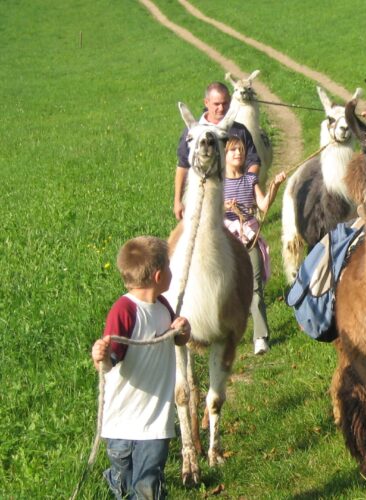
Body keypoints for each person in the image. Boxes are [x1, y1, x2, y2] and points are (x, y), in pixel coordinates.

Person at [91, 236, 191, 499]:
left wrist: (183, 330)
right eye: (169, 266)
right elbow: (110, 362)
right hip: (121, 423)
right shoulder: (124, 310)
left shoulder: (163, 307)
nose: (171, 272)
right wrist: (100, 355)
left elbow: (178, 340)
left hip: (155, 424)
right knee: (123, 486)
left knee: (147, 487)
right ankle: (115, 480)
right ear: (158, 276)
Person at [222, 137, 286, 355]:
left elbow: (263, 205)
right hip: (229, 241)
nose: (238, 153)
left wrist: (275, 186)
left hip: (250, 237)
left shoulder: (250, 180)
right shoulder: (219, 183)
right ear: (225, 155)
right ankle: (227, 334)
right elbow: (210, 210)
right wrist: (224, 208)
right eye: (233, 150)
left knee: (255, 287)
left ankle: (260, 337)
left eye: (240, 150)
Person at [174, 81, 261, 220]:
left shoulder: (240, 131)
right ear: (206, 102)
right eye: (216, 104)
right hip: (201, 201)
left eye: (225, 103)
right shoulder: (192, 133)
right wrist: (177, 200)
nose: (221, 108)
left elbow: (253, 161)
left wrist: (246, 186)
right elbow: (183, 165)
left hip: (235, 205)